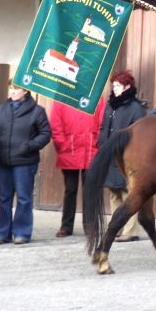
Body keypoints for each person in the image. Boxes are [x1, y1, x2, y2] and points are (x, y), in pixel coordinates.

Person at [0, 81, 51, 245]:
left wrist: (30, 146)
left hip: (25, 161)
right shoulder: (1, 109)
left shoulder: (37, 111)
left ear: (25, 91)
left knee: (24, 198)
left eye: (16, 88)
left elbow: (45, 134)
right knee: (4, 198)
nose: (13, 91)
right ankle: (2, 233)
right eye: (10, 88)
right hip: (4, 160)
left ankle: (22, 233)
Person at [99, 70, 147, 242]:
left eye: (118, 86)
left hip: (127, 157)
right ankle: (116, 227)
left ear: (127, 86)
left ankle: (131, 230)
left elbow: (139, 134)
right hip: (110, 154)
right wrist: (102, 143)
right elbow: (104, 127)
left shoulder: (136, 108)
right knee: (114, 193)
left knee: (129, 194)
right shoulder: (111, 105)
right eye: (114, 86)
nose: (115, 89)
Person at [50, 98, 105, 238]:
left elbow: (102, 122)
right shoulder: (63, 96)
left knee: (91, 190)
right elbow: (56, 124)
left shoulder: (96, 96)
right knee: (70, 189)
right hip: (70, 149)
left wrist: (98, 143)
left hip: (91, 149)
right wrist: (62, 144)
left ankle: (90, 226)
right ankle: (66, 226)